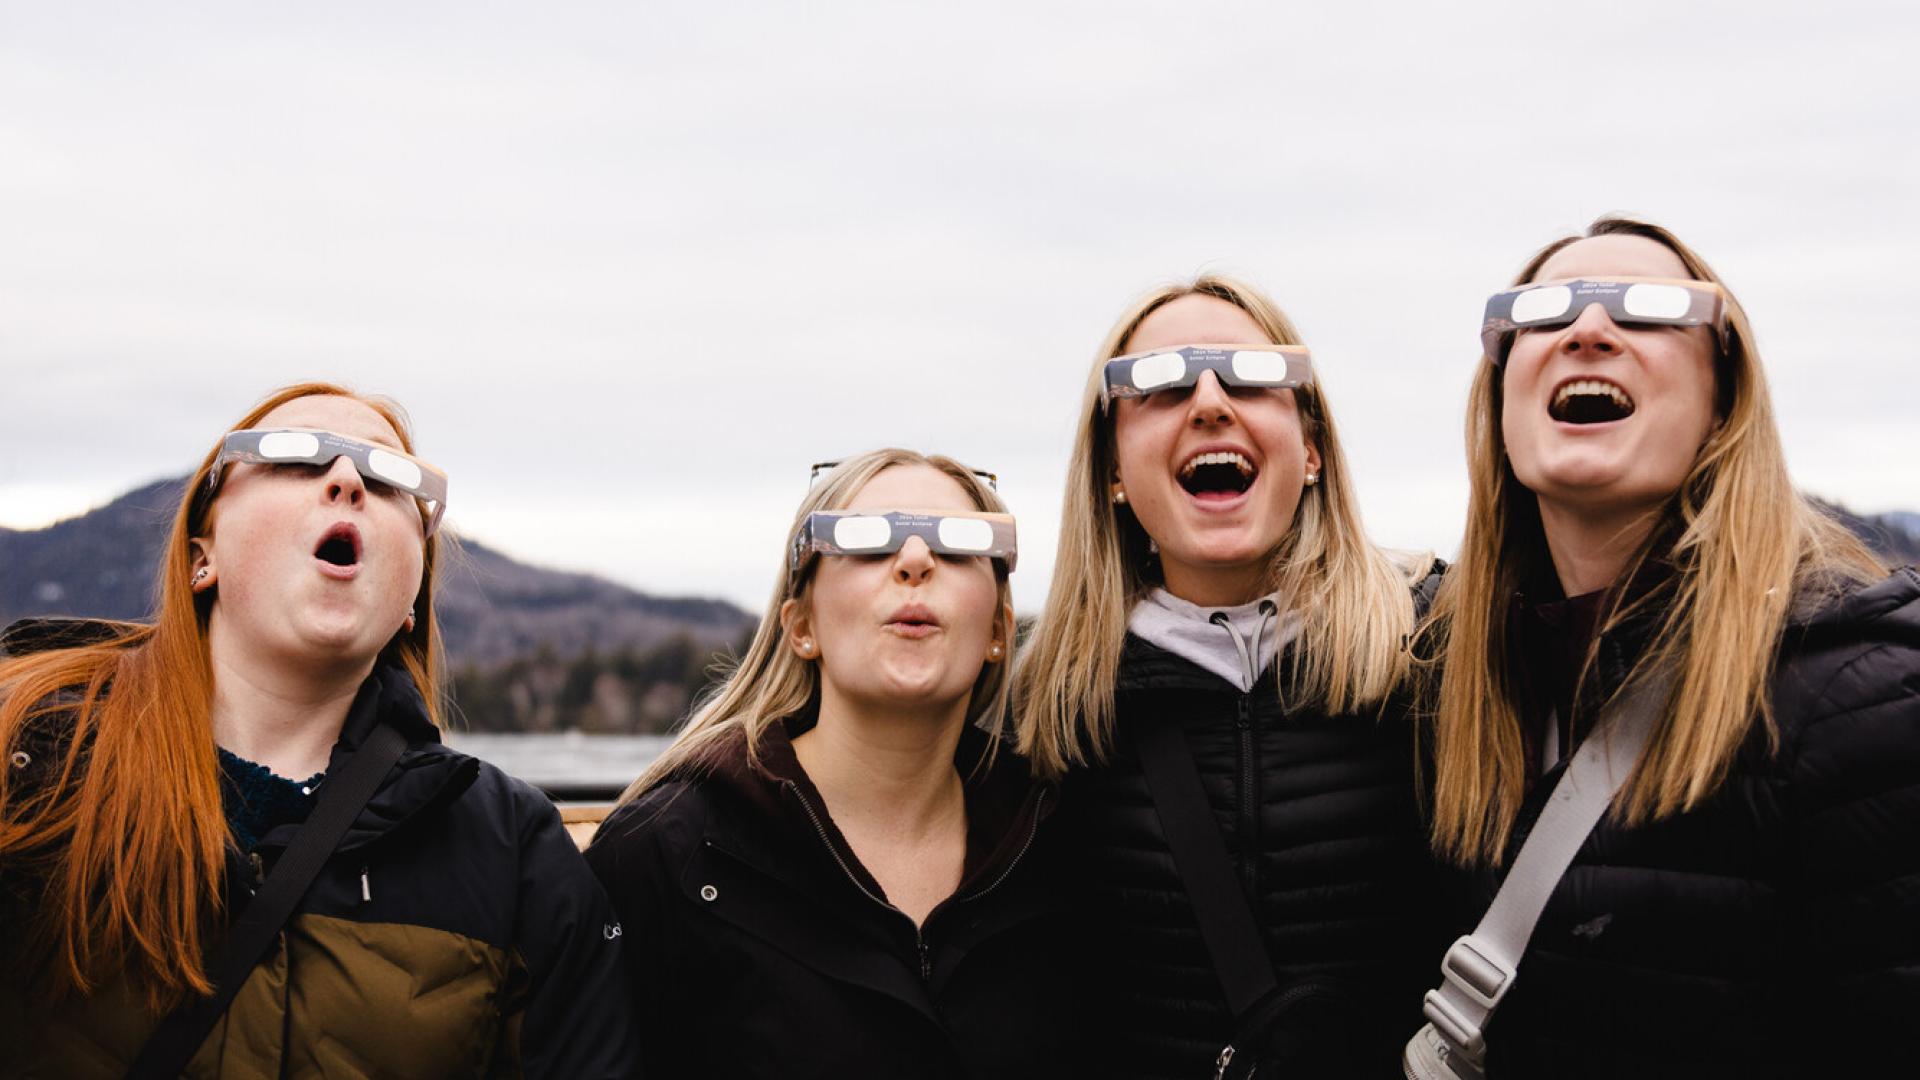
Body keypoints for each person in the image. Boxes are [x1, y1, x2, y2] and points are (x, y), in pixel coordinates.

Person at [0, 383, 639, 1078]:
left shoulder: (512, 846)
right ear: (199, 557)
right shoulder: (30, 752)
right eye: (294, 458)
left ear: (411, 605)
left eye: (390, 477)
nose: (345, 480)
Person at [1419, 217, 1920, 1077]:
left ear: (1725, 398)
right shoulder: (1440, 687)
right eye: (1539, 314)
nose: (1586, 330)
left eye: (1649, 311)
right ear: (1500, 401)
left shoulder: (1863, 702)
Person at [1014, 275, 1440, 1077]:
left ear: (1311, 450)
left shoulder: (1435, 654)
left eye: (1251, 377)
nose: (1210, 401)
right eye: (1162, 386)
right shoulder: (1045, 711)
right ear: (1112, 468)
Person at [585, 449, 1070, 1079]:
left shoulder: (1067, 844)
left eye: (959, 545)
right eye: (865, 541)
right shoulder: (662, 856)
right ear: (801, 625)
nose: (916, 561)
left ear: (1000, 630)